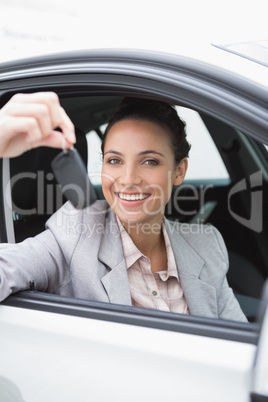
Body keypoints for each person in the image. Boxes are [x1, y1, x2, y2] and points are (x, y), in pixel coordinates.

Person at [0, 93, 247, 322]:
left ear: (179, 171)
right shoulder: (72, 235)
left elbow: (238, 345)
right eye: (115, 160)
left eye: (149, 161)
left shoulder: (207, 245)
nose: (128, 179)